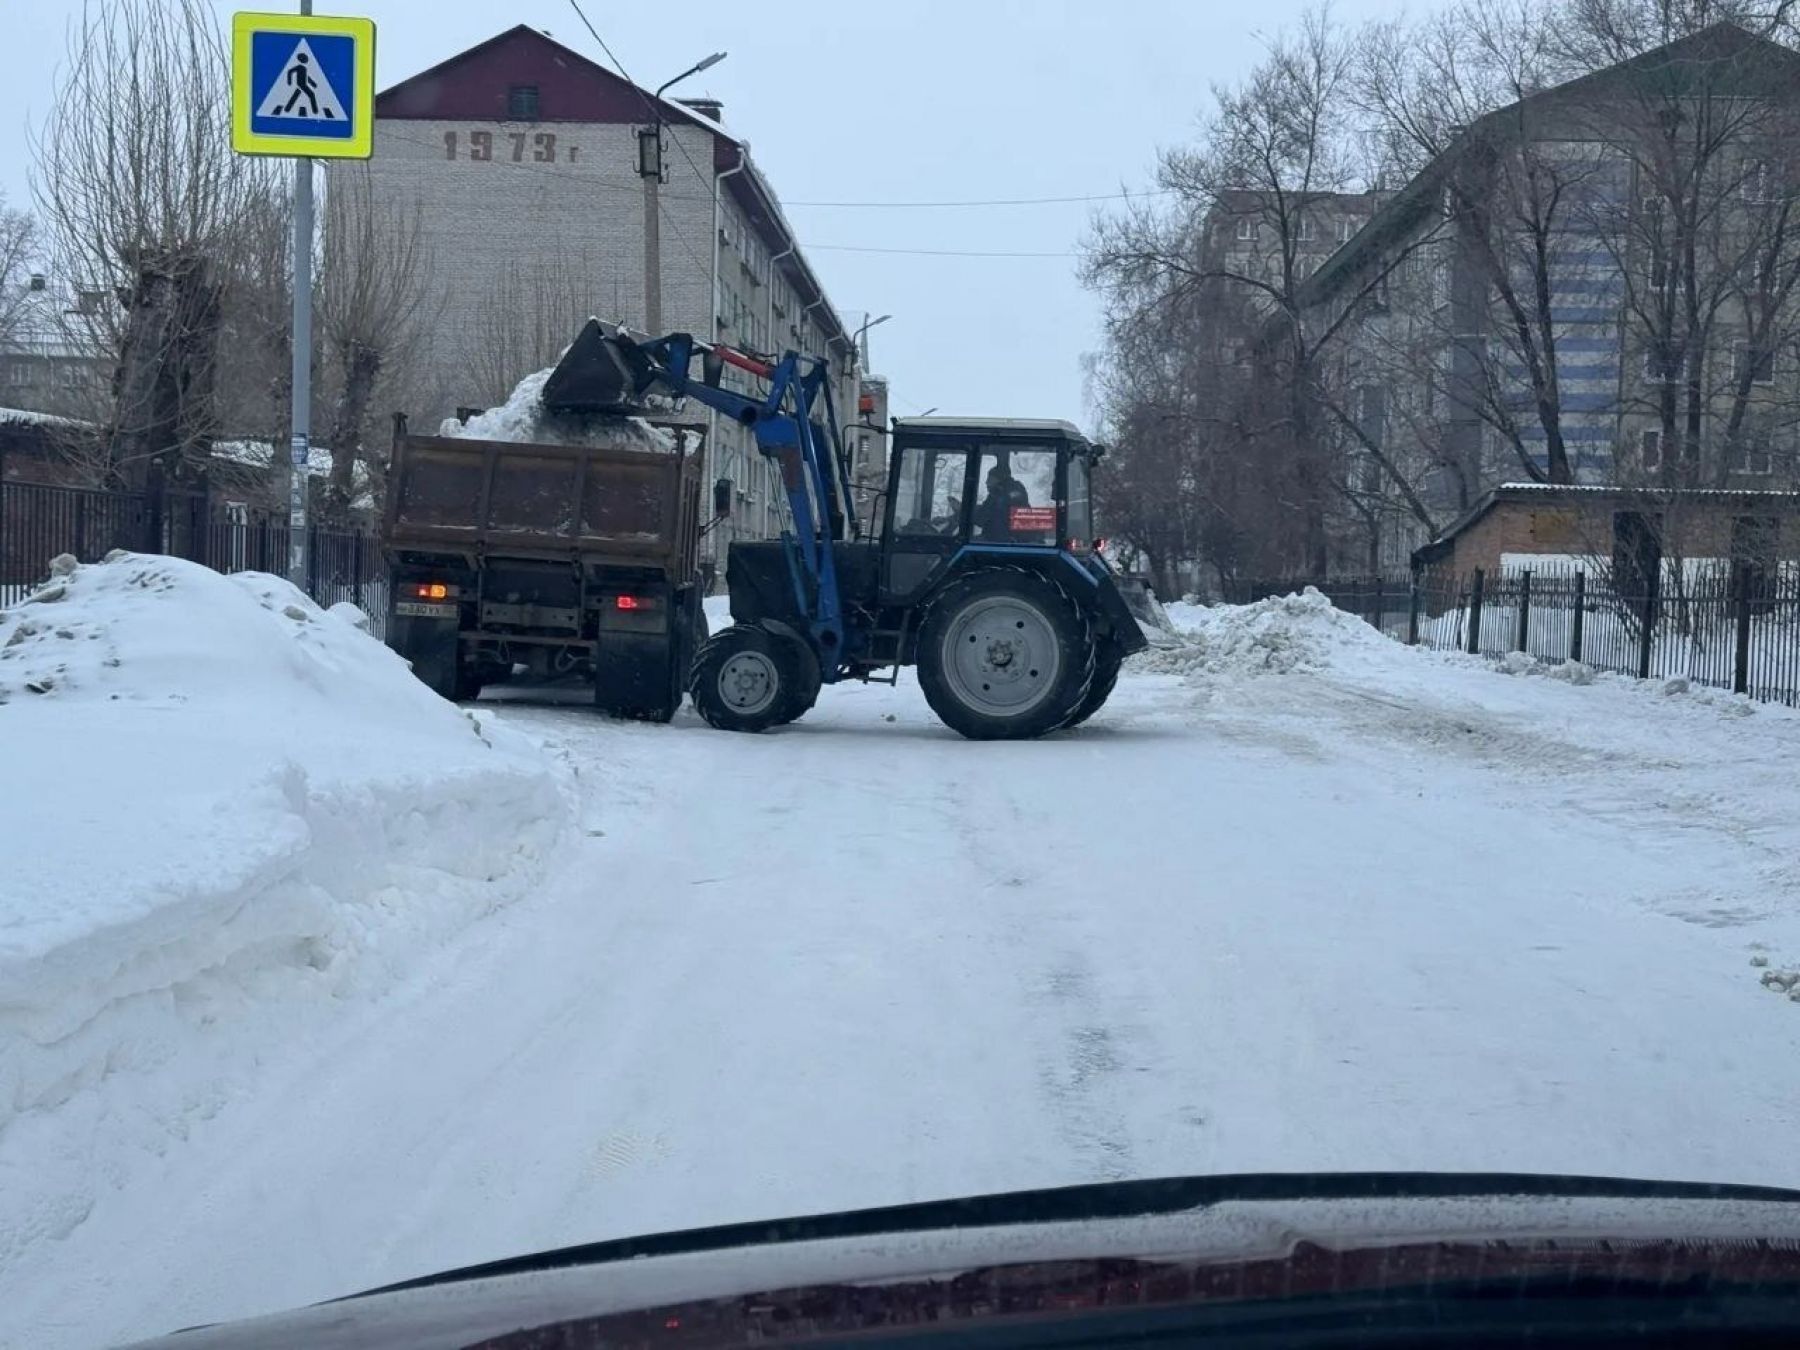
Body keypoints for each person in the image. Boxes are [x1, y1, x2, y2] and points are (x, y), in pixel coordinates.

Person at [973, 465, 1030, 539]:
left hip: (1000, 541)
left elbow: (981, 518)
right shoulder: (1000, 494)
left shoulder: (1000, 495)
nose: (986, 482)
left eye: (990, 479)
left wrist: (968, 514)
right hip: (1003, 539)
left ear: (999, 479)